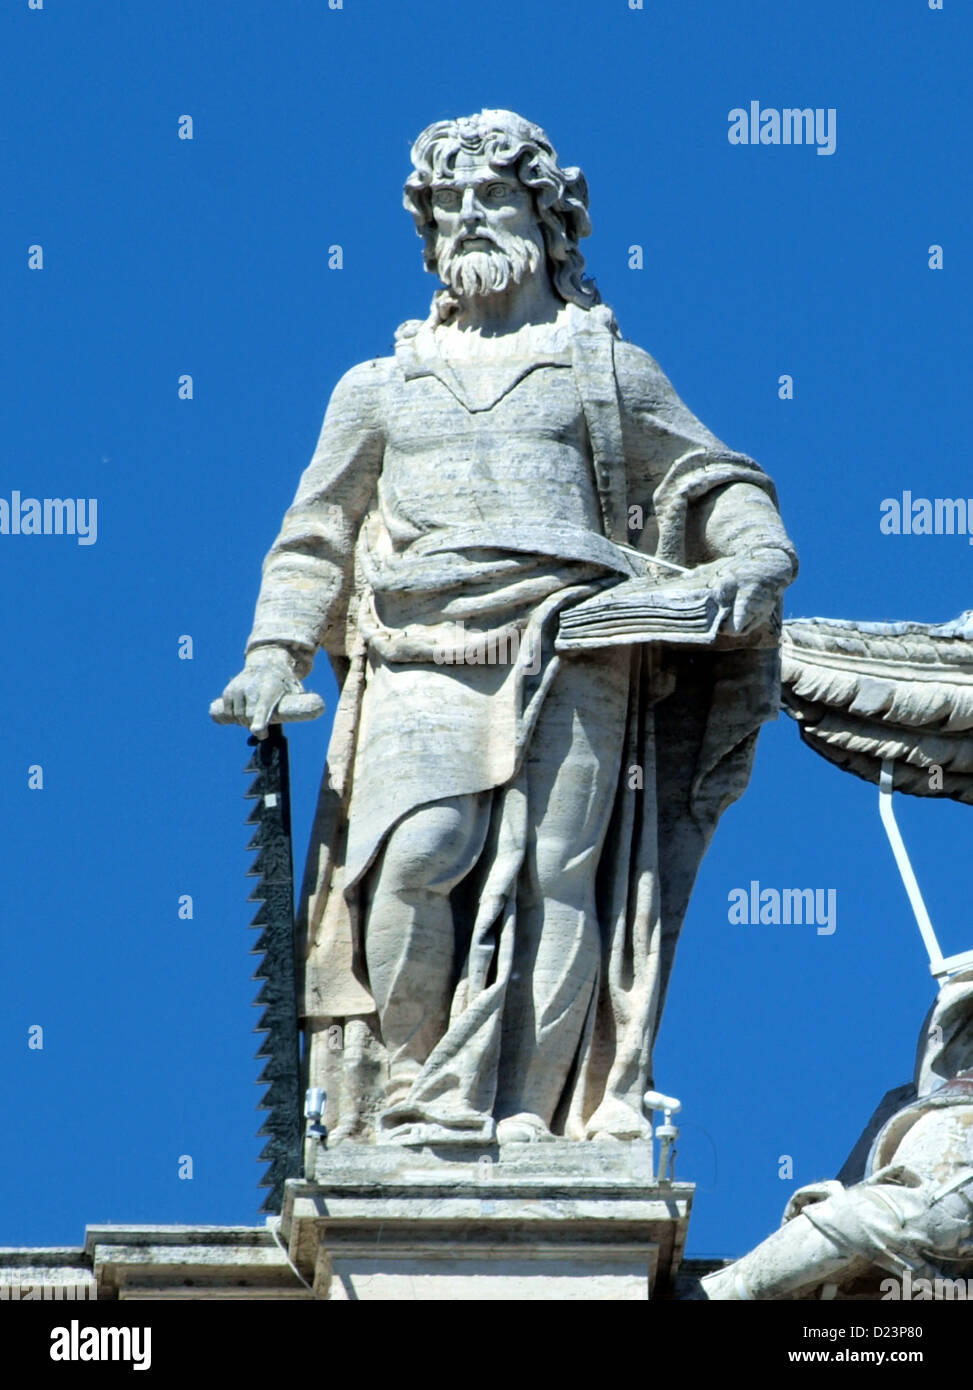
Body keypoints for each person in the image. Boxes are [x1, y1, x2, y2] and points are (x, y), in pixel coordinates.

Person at [221, 109, 797, 1147]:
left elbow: (715, 477)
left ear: (547, 215)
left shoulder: (607, 370)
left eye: (494, 197)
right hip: (414, 641)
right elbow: (314, 532)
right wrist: (273, 652)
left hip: (581, 630)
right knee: (411, 857)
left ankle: (529, 1116)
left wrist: (754, 557)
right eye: (451, 206)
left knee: (553, 873)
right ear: (429, 232)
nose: (472, 219)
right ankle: (412, 1096)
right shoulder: (378, 387)